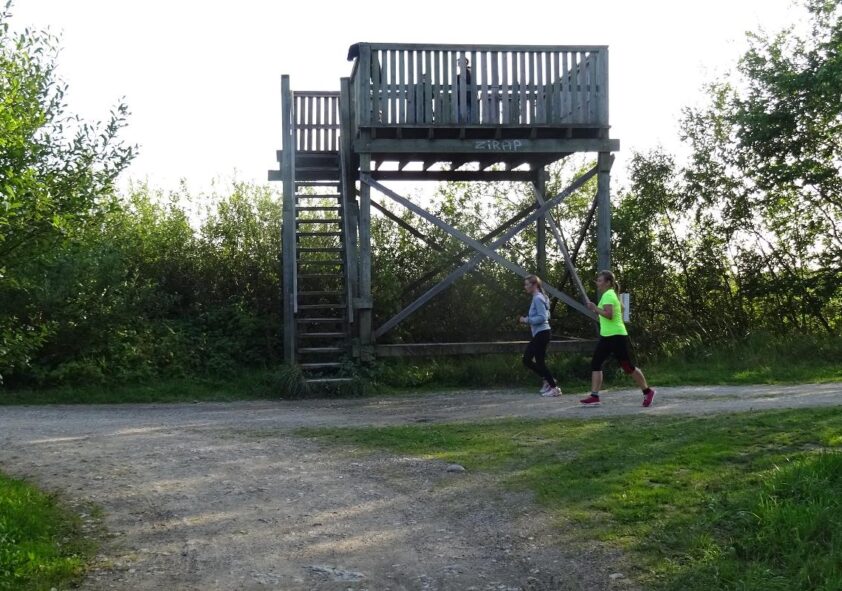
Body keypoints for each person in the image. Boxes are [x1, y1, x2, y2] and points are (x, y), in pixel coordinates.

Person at [581, 270, 656, 407]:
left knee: (628, 366)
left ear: (608, 282)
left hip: (616, 336)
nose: (597, 283)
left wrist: (595, 308)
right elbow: (617, 310)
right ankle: (594, 396)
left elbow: (609, 315)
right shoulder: (610, 295)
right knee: (596, 363)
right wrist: (597, 310)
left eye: (600, 280)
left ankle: (648, 391)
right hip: (607, 336)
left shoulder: (608, 295)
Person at [519, 275, 561, 397]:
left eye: (527, 284)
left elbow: (542, 318)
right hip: (541, 333)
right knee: (535, 361)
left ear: (535, 285)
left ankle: (554, 388)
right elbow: (547, 315)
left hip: (542, 333)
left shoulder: (538, 298)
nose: (525, 287)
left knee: (529, 360)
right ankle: (549, 381)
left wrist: (526, 320)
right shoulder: (541, 297)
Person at [457, 56, 473, 124]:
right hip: (463, 99)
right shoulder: (468, 72)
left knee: (466, 118)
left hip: (466, 99)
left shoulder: (468, 73)